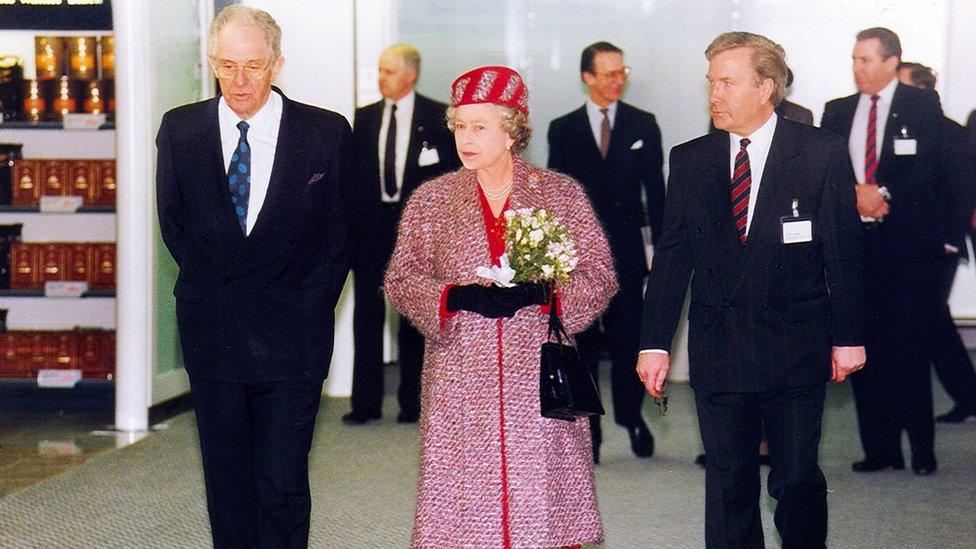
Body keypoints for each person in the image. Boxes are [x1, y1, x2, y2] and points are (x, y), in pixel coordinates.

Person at [637, 32, 866, 547]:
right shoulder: (691, 159)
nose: (714, 95)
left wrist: (849, 335)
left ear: (766, 87)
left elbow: (844, 252)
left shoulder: (818, 152)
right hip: (719, 348)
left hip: (795, 347)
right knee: (727, 485)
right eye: (710, 83)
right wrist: (654, 343)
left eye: (727, 82)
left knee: (796, 480)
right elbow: (673, 258)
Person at [385, 65, 616, 549]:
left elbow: (599, 275)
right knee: (463, 511)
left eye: (479, 127)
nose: (465, 139)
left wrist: (547, 298)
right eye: (458, 126)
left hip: (539, 371)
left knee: (546, 506)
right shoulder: (432, 200)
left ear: (511, 130)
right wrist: (453, 296)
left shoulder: (559, 194)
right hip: (460, 376)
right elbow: (401, 279)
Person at [155, 6, 352, 547]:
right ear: (211, 63)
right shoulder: (181, 129)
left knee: (281, 480)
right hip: (212, 329)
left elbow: (340, 239)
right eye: (227, 65)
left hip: (293, 335)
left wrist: (310, 305)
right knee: (227, 479)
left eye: (254, 66)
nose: (240, 81)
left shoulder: (325, 133)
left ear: (277, 64)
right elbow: (175, 227)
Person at [822, 27, 948, 475]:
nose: (857, 68)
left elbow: (932, 164)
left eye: (866, 60)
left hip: (907, 249)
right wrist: (854, 191)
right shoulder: (837, 111)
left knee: (910, 349)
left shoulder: (921, 105)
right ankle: (880, 449)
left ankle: (921, 449)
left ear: (892, 62)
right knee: (863, 348)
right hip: (857, 250)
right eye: (854, 60)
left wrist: (884, 192)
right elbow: (826, 169)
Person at [547, 41, 665, 463]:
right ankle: (589, 430)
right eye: (609, 73)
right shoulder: (563, 129)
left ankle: (631, 417)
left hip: (628, 252)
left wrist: (664, 255)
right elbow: (555, 198)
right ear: (587, 78)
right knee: (581, 343)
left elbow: (657, 193)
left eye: (622, 72)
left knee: (628, 338)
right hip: (577, 258)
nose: (619, 80)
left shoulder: (643, 124)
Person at [343, 44, 459, 425]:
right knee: (367, 316)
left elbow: (451, 180)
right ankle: (365, 403)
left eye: (389, 71)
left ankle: (413, 403)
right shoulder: (364, 119)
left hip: (417, 232)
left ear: (410, 75)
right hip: (371, 230)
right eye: (379, 70)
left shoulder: (437, 117)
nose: (381, 78)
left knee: (413, 318)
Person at [897, 62, 976, 423]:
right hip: (911, 245)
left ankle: (967, 396)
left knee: (932, 321)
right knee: (932, 321)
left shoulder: (951, 133)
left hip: (940, 247)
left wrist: (948, 241)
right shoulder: (907, 129)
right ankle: (968, 396)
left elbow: (962, 194)